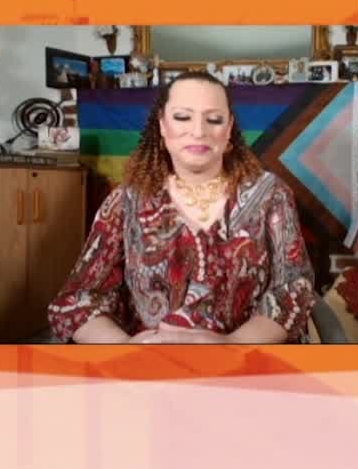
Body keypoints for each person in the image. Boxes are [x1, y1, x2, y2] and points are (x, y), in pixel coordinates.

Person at [47, 71, 318, 344]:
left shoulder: (271, 195)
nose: (198, 131)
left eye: (214, 119)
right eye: (182, 117)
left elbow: (293, 290)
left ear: (228, 129)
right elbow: (76, 300)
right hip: (150, 362)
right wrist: (125, 347)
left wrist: (231, 344)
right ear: (162, 126)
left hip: (247, 358)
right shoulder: (126, 201)